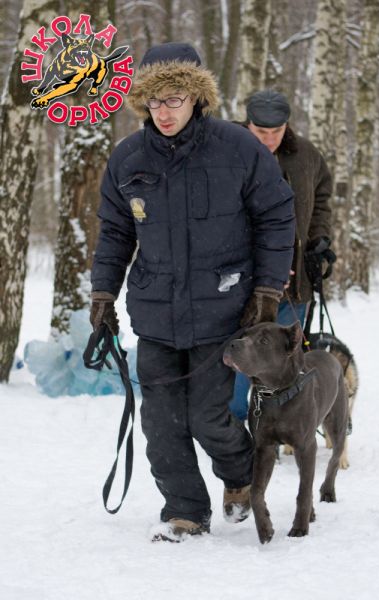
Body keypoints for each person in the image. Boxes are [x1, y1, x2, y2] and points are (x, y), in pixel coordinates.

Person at [90, 44, 295, 542]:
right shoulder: (128, 158)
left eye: (174, 99)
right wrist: (102, 295)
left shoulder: (238, 148)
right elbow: (115, 232)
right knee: (160, 424)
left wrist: (267, 289)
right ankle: (184, 511)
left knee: (208, 416)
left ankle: (240, 475)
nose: (164, 111)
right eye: (154, 101)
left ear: (196, 98)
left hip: (223, 308)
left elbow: (275, 216)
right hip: (155, 310)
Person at [229, 89, 334, 421]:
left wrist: (319, 240)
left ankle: (282, 425)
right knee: (240, 357)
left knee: (285, 358)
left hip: (295, 284)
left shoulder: (306, 155)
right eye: (262, 132)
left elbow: (322, 198)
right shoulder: (227, 152)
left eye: (277, 131)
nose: (270, 139)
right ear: (248, 124)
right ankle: (235, 426)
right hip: (241, 284)